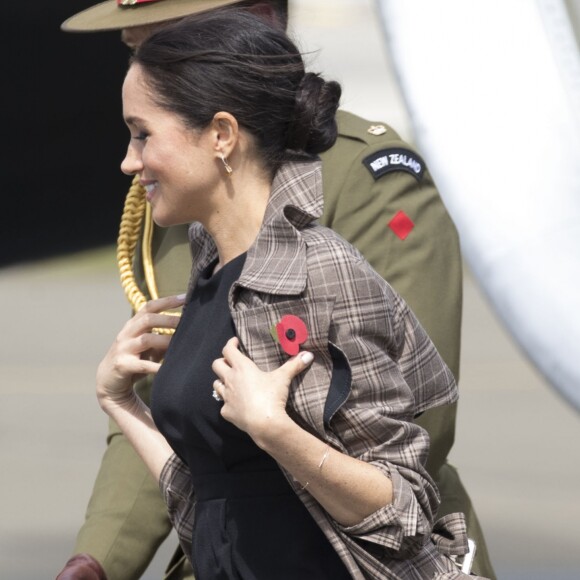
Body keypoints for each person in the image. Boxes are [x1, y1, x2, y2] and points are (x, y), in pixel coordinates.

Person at [57, 2, 495, 579]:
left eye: (164, 46)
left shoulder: (359, 188)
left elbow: (409, 436)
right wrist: (100, 560)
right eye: (136, 50)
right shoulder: (200, 224)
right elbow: (199, 450)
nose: (129, 160)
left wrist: (274, 434)